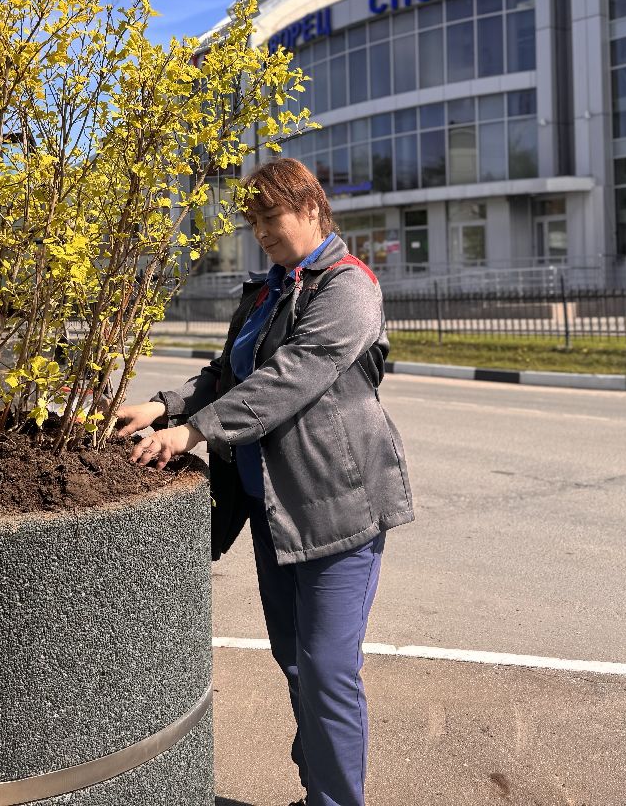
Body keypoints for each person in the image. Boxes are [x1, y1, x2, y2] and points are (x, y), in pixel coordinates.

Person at [117, 157, 414, 806]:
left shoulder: (348, 287)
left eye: (270, 217)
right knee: (298, 663)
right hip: (273, 511)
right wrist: (164, 406)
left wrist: (193, 432)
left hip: (337, 506)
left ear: (310, 207)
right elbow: (228, 373)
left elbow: (290, 378)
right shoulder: (269, 289)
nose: (261, 233)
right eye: (252, 222)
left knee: (329, 670)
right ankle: (319, 792)